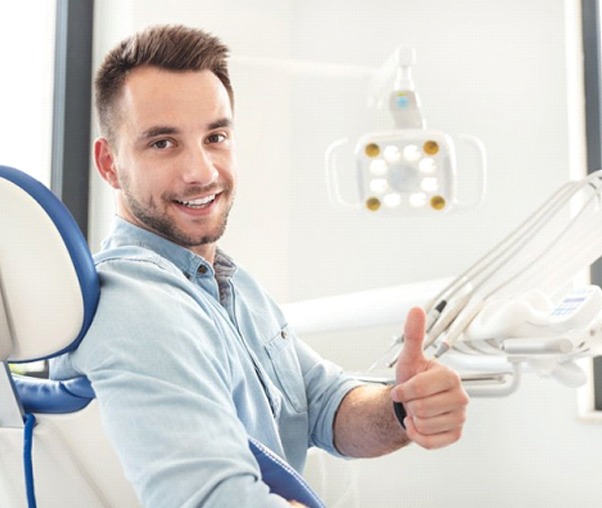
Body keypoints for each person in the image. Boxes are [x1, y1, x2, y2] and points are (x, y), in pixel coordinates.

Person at [50, 24, 468, 507]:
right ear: (108, 164)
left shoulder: (230, 285)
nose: (202, 171)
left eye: (216, 136)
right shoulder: (137, 306)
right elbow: (210, 500)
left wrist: (400, 408)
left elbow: (323, 406)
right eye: (163, 143)